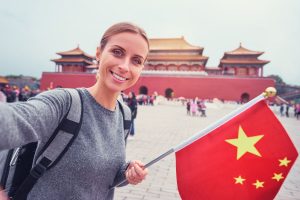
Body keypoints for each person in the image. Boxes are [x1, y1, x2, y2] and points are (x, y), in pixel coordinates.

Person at [0, 22, 149, 200]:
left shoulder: (124, 115)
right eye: (118, 52)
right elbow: (9, 121)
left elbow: (106, 178)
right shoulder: (64, 103)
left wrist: (127, 172)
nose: (125, 66)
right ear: (99, 53)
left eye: (136, 60)